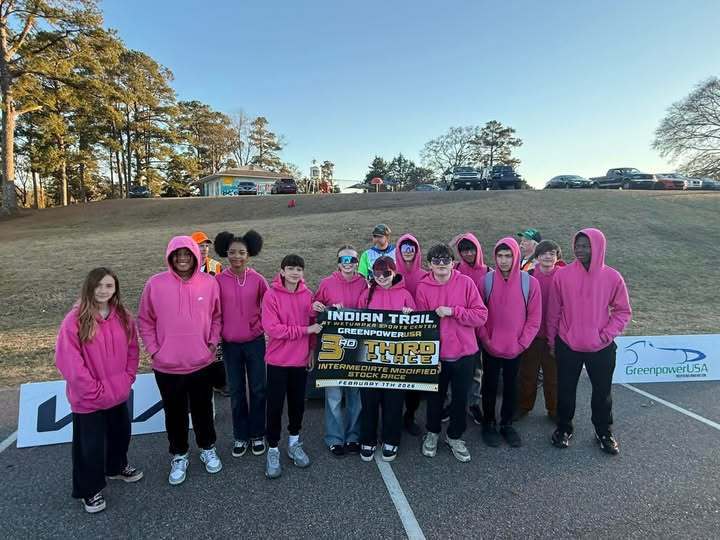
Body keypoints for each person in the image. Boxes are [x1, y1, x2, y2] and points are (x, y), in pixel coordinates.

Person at [55, 268, 143, 514]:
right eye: (99, 286)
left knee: (120, 434)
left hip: (118, 392)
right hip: (89, 399)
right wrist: (93, 390)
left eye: (109, 286)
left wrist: (127, 378)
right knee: (90, 447)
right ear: (89, 287)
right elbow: (69, 362)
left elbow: (133, 349)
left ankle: (116, 467)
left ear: (115, 289)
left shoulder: (123, 316)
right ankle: (89, 489)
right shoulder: (74, 320)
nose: (104, 291)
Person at [137, 236, 223, 486]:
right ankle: (179, 454)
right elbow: (145, 320)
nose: (183, 259)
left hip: (201, 362)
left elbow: (217, 317)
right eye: (178, 254)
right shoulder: (155, 284)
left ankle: (207, 447)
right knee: (174, 414)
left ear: (196, 256)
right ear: (170, 257)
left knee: (203, 410)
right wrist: (155, 350)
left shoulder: (209, 283)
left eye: (188, 254)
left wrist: (211, 344)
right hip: (167, 365)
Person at [547, 228, 632, 455]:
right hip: (568, 344)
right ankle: (564, 428)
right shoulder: (562, 275)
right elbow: (554, 311)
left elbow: (623, 311)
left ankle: (603, 431)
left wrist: (605, 334)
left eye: (585, 245)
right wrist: (553, 341)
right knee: (565, 390)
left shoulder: (612, 277)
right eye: (577, 245)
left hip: (601, 348)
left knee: (602, 392)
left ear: (598, 247)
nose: (579, 249)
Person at [415, 244, 488, 463]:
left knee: (460, 398)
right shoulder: (422, 288)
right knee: (434, 399)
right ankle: (433, 433)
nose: (441, 264)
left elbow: (480, 316)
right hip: (437, 355)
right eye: (436, 261)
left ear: (452, 262)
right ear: (429, 265)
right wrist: (431, 356)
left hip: (465, 353)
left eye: (445, 260)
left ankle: (455, 436)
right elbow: (422, 325)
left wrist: (454, 312)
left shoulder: (466, 283)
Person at [262, 254, 322, 478]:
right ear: (282, 271)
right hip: (278, 362)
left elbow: (313, 323)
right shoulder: (271, 295)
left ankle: (294, 442)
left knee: (298, 405)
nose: (295, 273)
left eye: (299, 269)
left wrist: (310, 349)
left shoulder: (308, 295)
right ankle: (274, 448)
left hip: (299, 361)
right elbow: (273, 329)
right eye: (291, 268)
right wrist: (305, 332)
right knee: (275, 407)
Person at [478, 238, 541, 449]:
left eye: (508, 256)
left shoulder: (529, 282)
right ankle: (488, 423)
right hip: (491, 347)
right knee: (489, 386)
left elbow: (534, 318)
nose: (504, 261)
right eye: (500, 256)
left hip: (516, 348)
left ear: (516, 256)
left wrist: (522, 344)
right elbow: (479, 314)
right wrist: (486, 341)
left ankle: (506, 424)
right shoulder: (486, 281)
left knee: (512, 387)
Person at [214, 230, 269, 458]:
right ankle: (240, 436)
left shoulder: (258, 279)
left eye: (242, 252)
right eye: (233, 252)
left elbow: (269, 307)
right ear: (226, 253)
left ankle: (257, 434)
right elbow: (213, 312)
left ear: (250, 254)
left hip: (255, 342)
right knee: (236, 391)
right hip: (230, 344)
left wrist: (261, 327)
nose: (237, 256)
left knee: (258, 389)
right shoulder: (217, 280)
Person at [358, 256, 416, 462]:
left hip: (396, 358)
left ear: (394, 273)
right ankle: (368, 439)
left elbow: (418, 329)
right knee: (369, 401)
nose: (381, 277)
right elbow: (355, 323)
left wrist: (410, 315)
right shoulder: (366, 295)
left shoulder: (406, 295)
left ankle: (391, 439)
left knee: (394, 401)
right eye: (377, 273)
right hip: (370, 357)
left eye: (386, 273)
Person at [313, 245, 368, 457]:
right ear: (338, 263)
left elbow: (371, 310)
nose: (348, 264)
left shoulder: (365, 283)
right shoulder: (327, 283)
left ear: (357, 263)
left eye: (352, 260)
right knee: (334, 396)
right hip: (333, 347)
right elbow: (315, 307)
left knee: (355, 395)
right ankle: (335, 438)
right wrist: (321, 307)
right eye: (344, 260)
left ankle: (353, 436)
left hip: (358, 348)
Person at [516, 240, 565, 421]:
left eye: (552, 253)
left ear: (557, 257)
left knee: (553, 378)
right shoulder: (527, 276)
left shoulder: (563, 276)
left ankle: (554, 410)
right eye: (544, 253)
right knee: (528, 374)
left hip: (556, 335)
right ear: (537, 256)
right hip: (533, 335)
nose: (547, 256)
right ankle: (523, 406)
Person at [451, 232, 489, 424]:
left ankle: (473, 403)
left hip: (478, 330)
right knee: (451, 370)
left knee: (476, 370)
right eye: (463, 250)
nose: (468, 253)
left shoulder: (488, 272)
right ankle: (452, 404)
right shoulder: (455, 269)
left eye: (471, 249)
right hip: (454, 330)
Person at [395, 233, 428, 436]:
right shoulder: (391, 272)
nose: (408, 252)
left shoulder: (425, 275)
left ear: (417, 251)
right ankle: (394, 415)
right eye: (404, 248)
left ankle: (410, 415)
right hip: (394, 335)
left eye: (411, 248)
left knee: (414, 381)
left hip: (418, 333)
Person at [191, 231, 227, 396]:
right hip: (192, 317)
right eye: (200, 245)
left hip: (212, 315)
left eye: (206, 245)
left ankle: (220, 384)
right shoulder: (185, 266)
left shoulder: (216, 266)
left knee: (217, 350)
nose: (204, 248)